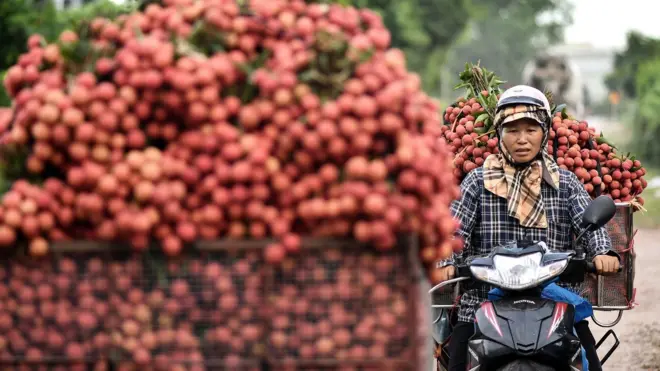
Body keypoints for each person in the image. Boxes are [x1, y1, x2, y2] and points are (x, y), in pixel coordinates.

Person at [436, 85, 621, 371]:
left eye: (531, 129)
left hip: (554, 301)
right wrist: (445, 261)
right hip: (482, 303)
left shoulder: (566, 183)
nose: (522, 139)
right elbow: (451, 231)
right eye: (512, 130)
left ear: (544, 133)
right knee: (457, 359)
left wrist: (603, 253)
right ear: (499, 134)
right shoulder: (477, 182)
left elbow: (591, 224)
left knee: (589, 361)